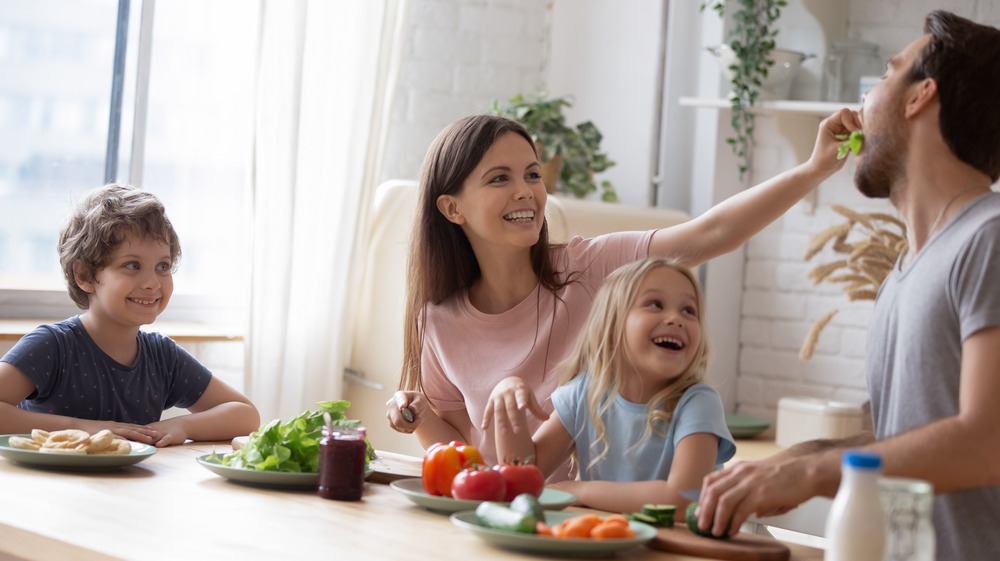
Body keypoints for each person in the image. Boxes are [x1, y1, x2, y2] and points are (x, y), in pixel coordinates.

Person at [385, 109, 852, 478]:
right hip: (508, 512)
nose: (526, 191)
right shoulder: (440, 320)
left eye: (531, 174)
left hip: (597, 516)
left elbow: (713, 233)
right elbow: (463, 451)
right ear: (451, 208)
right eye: (499, 178)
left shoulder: (594, 266)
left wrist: (813, 170)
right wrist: (421, 416)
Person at [693, 11, 1000, 561]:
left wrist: (813, 470)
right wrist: (801, 457)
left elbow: (985, 443)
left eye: (885, 73)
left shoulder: (989, 240)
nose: (862, 100)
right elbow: (911, 442)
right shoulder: (909, 270)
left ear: (919, 97)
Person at [0, 184, 261, 447]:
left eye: (163, 266)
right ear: (85, 275)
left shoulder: (163, 357)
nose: (152, 283)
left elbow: (245, 415)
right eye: (132, 265)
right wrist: (81, 428)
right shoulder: (52, 346)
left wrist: (182, 424)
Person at [493, 257, 735, 513]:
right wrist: (505, 404)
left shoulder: (698, 402)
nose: (676, 318)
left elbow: (682, 498)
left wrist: (580, 490)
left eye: (689, 310)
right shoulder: (583, 393)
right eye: (655, 304)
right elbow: (523, 477)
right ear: (610, 333)